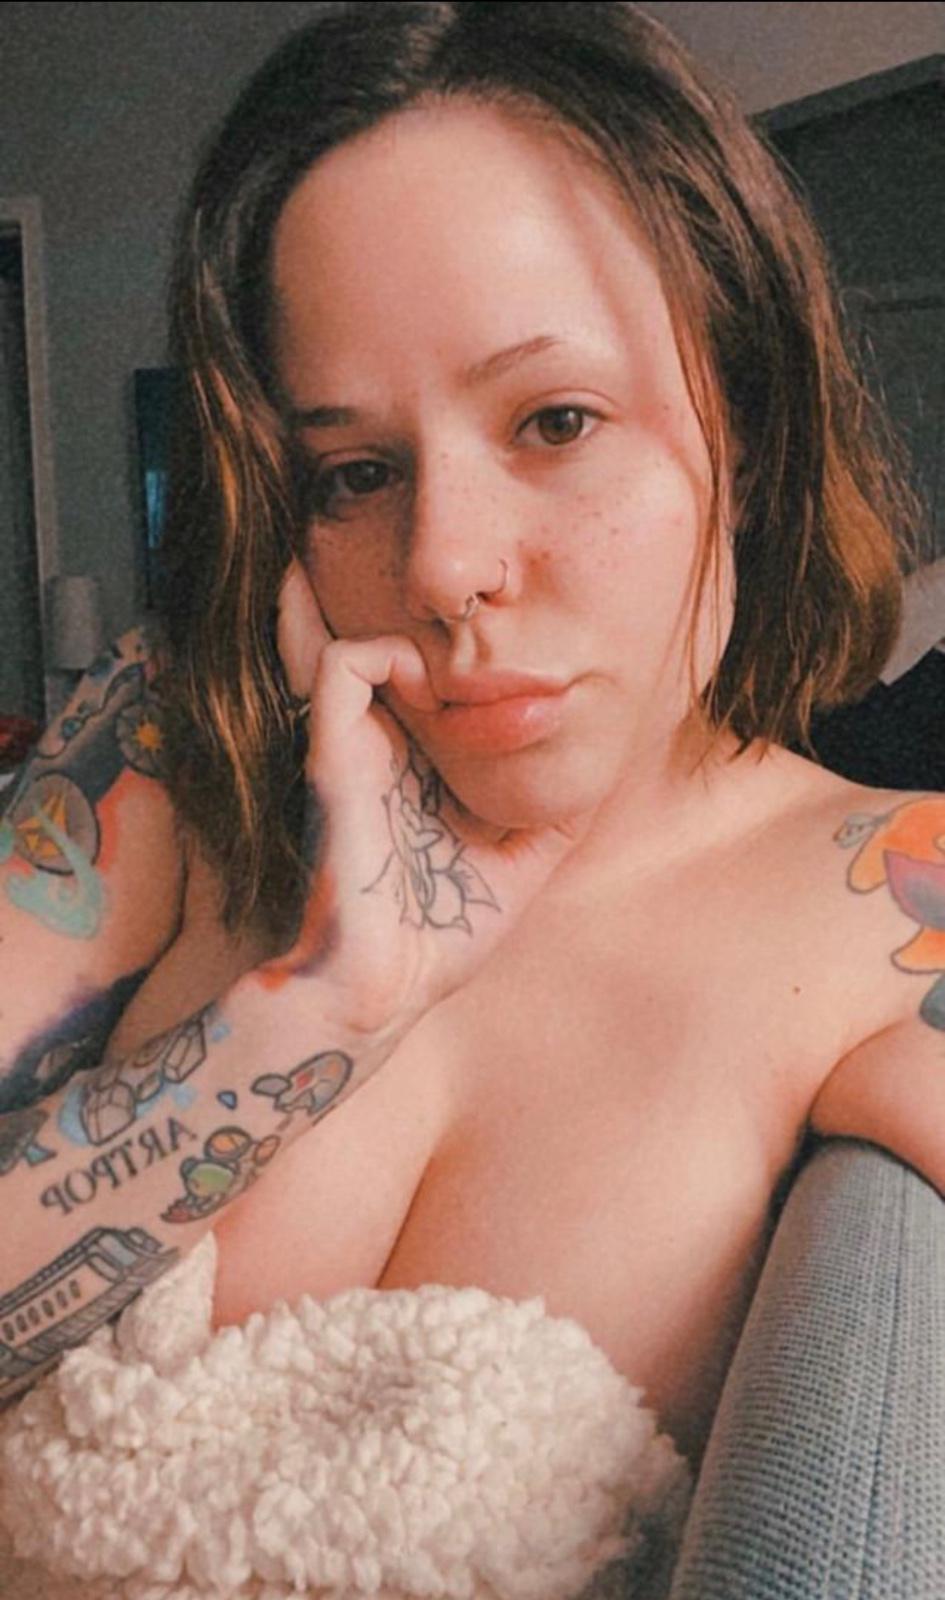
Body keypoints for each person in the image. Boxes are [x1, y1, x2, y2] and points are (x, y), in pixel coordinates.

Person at [0, 3, 938, 1594]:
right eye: (353, 473)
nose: (440, 565)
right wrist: (305, 1019)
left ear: (750, 419)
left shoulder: (888, 904)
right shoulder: (173, 750)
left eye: (554, 423)